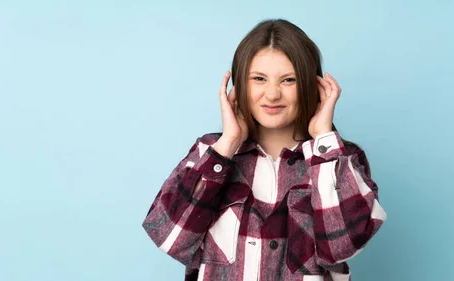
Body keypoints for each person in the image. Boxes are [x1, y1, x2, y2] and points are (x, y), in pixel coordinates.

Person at [142, 18, 387, 281]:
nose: (272, 95)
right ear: (240, 87)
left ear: (312, 86)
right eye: (259, 78)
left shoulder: (340, 159)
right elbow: (169, 238)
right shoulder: (210, 152)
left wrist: (324, 142)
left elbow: (341, 247)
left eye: (288, 80)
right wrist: (227, 144)